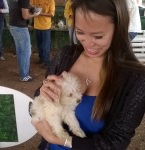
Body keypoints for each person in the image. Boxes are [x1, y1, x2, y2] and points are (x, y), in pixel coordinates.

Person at [32, 0, 145, 149]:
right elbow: (38, 102)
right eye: (80, 32)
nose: (88, 43)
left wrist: (60, 139)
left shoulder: (136, 79)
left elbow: (117, 142)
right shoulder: (66, 56)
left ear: (118, 29)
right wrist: (42, 91)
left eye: (98, 36)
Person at [8, 0, 41, 82]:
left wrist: (30, 8)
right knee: (26, 51)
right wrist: (36, 14)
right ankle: (24, 75)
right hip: (20, 27)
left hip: (13, 25)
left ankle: (23, 71)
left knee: (20, 50)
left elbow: (18, 8)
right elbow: (25, 16)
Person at [30, 0, 55, 67]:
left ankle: (46, 62)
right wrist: (33, 8)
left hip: (46, 27)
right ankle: (41, 59)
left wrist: (40, 13)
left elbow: (52, 14)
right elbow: (30, 6)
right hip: (36, 26)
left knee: (45, 46)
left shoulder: (51, 1)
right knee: (39, 45)